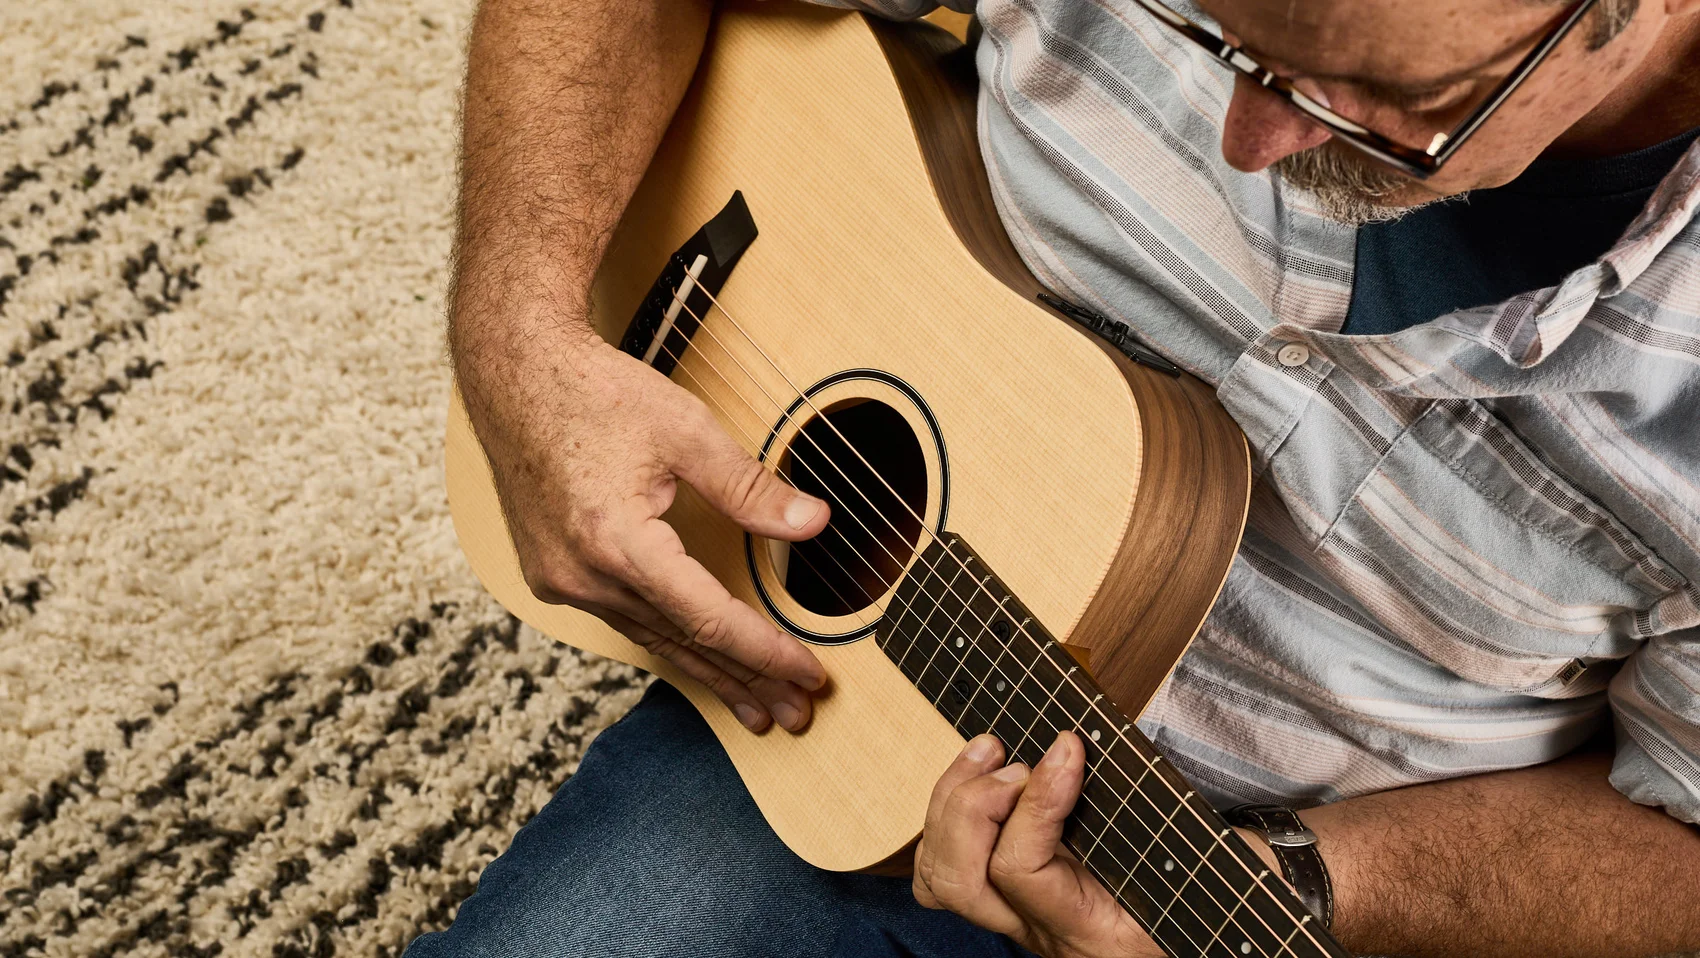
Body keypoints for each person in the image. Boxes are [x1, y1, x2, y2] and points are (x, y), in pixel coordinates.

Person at [408, 0, 1700, 954]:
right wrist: (520, 326)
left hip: (1253, 883)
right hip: (829, 716)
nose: (1252, 139)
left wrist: (1303, 888)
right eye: (1218, 34)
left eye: (1377, 97)